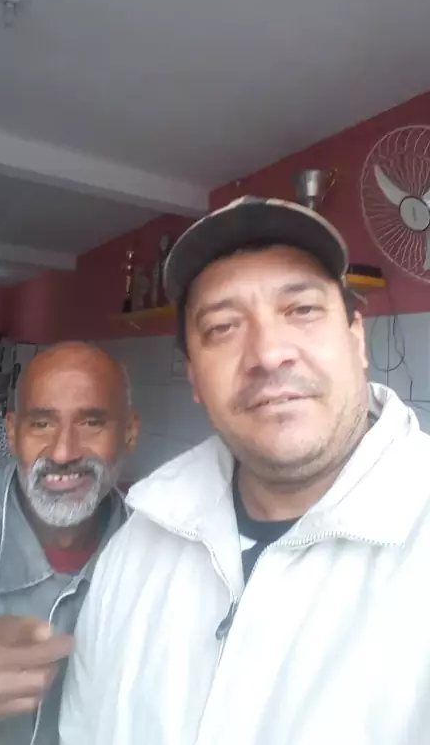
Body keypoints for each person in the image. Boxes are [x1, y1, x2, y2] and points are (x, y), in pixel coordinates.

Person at [61, 196, 430, 745]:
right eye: (223, 327)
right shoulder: (139, 541)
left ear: (357, 340)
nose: (269, 353)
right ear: (194, 377)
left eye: (301, 310)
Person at [0, 341, 138, 745]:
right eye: (41, 424)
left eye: (91, 423)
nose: (63, 452)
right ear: (12, 433)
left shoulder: (163, 555)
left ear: (130, 432)